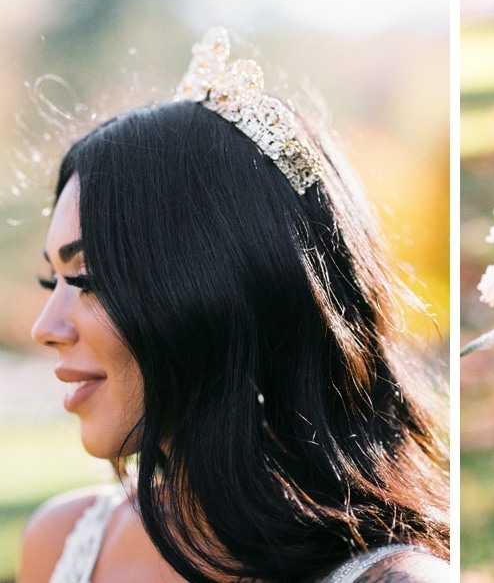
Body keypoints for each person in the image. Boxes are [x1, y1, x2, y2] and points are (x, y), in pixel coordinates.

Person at [17, 28, 450, 582]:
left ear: (219, 286)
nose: (44, 327)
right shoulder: (61, 542)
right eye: (49, 278)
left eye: (88, 277)